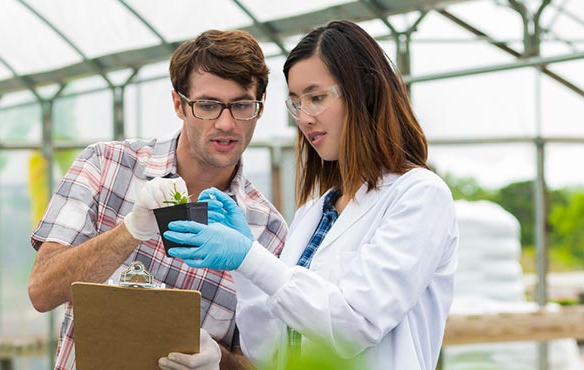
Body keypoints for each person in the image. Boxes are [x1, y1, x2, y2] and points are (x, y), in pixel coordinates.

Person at [161, 20, 459, 370]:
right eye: (296, 103)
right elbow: (269, 353)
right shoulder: (314, 214)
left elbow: (356, 325)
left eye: (316, 98)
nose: (304, 118)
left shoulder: (419, 196)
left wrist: (248, 258)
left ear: (365, 91)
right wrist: (246, 273)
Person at [26, 29, 288, 370]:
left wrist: (219, 360)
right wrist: (130, 231)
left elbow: (261, 361)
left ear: (260, 107)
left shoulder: (266, 229)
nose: (226, 123)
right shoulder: (106, 166)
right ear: (179, 104)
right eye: (207, 105)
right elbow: (42, 291)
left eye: (241, 105)